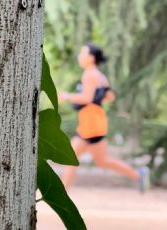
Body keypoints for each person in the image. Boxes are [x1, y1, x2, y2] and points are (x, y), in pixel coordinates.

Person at [58, 43, 149, 192]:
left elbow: (87, 98)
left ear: (91, 58)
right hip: (95, 122)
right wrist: (97, 96)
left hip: (91, 124)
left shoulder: (89, 74)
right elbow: (110, 96)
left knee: (71, 157)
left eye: (83, 53)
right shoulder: (99, 75)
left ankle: (62, 193)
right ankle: (138, 174)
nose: (80, 56)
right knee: (101, 161)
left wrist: (68, 96)